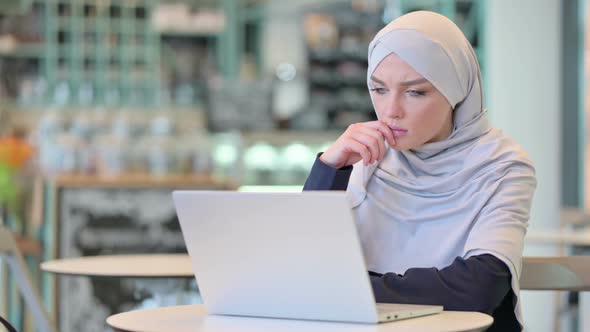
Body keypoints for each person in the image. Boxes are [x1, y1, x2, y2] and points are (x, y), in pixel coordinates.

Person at [303, 11, 536, 332]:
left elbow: (477, 287)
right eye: (379, 89)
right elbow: (303, 266)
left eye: (415, 92)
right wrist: (330, 168)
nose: (390, 111)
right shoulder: (369, 156)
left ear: (456, 90)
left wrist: (346, 289)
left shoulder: (502, 165)